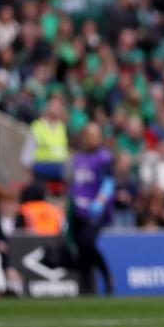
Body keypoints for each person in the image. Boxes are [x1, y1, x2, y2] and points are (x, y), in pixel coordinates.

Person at [67, 123, 115, 295]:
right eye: (89, 134)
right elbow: (74, 184)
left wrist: (100, 202)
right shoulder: (77, 158)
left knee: (87, 242)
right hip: (79, 209)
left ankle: (106, 275)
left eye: (95, 135)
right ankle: (86, 286)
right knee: (80, 247)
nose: (92, 138)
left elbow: (109, 182)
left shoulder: (104, 157)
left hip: (96, 210)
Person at [20, 96, 69, 185]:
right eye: (54, 107)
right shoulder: (38, 126)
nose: (57, 110)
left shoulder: (61, 128)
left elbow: (63, 151)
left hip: (58, 176)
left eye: (59, 108)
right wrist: (30, 172)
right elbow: (27, 153)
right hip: (40, 172)